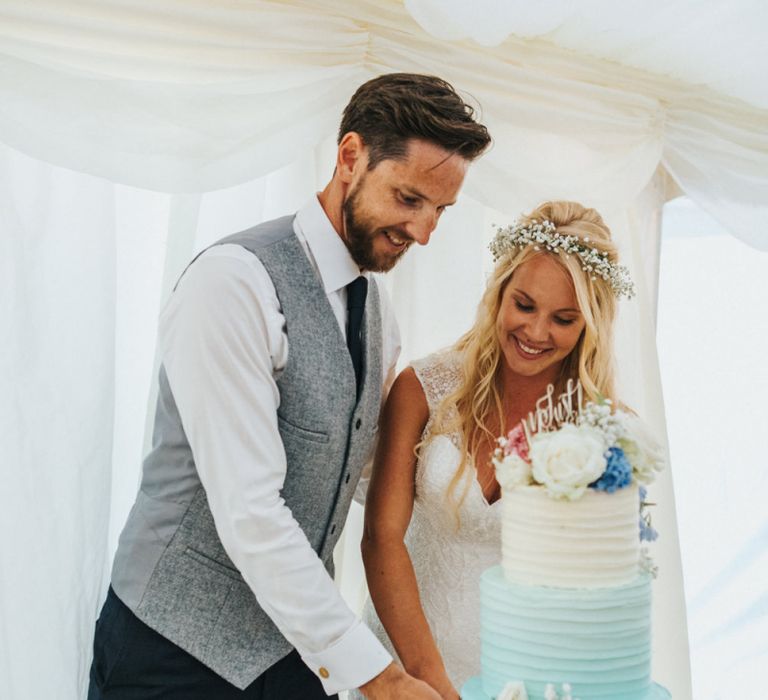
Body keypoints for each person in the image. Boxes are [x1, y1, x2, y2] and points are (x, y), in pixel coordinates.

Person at [87, 73, 491, 700]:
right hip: (169, 653)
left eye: (441, 210)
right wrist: (380, 676)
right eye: (409, 198)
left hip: (294, 653)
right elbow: (250, 511)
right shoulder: (233, 285)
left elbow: (344, 474)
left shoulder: (377, 314)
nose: (424, 232)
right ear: (350, 156)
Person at [357, 201, 633, 699]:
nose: (535, 332)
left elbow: (596, 592)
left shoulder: (606, 431)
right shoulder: (422, 388)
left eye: (564, 319)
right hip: (406, 665)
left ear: (589, 325)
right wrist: (432, 684)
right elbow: (381, 538)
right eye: (524, 305)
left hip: (525, 679)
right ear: (499, 292)